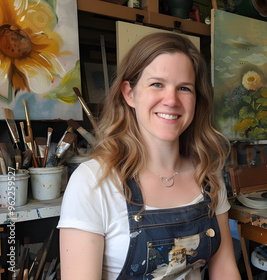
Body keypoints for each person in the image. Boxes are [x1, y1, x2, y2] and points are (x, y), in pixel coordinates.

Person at [57, 32, 241, 280]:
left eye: (184, 88)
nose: (172, 100)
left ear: (196, 99)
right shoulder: (92, 183)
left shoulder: (208, 176)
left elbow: (225, 271)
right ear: (129, 93)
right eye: (157, 84)